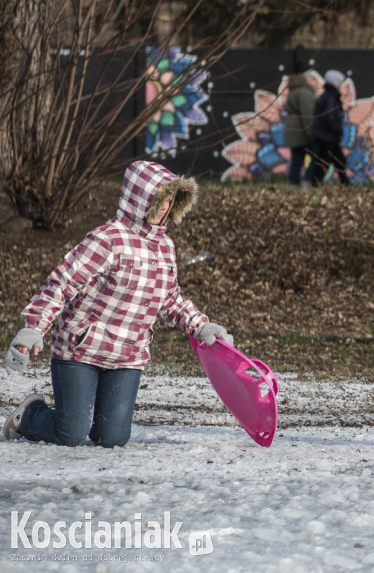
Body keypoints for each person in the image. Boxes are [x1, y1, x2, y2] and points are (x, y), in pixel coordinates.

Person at [2, 161, 234, 447]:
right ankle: (29, 416)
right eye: (162, 198)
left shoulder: (166, 248)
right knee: (71, 433)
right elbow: (62, 282)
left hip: (128, 355)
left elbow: (169, 300)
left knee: (111, 438)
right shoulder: (107, 239)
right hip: (80, 350)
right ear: (142, 199)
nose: (166, 206)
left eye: (173, 199)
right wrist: (34, 327)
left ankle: (95, 424)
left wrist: (200, 325)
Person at [310, 69, 349, 186]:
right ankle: (343, 182)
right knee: (329, 161)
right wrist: (338, 130)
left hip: (326, 136)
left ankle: (344, 181)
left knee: (332, 161)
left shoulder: (328, 97)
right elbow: (330, 118)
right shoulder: (330, 98)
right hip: (327, 137)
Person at [282, 64, 316, 187]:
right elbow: (307, 114)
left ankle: (294, 183)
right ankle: (307, 181)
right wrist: (311, 133)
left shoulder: (295, 90)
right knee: (314, 155)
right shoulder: (303, 92)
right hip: (301, 132)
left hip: (293, 131)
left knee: (297, 158)